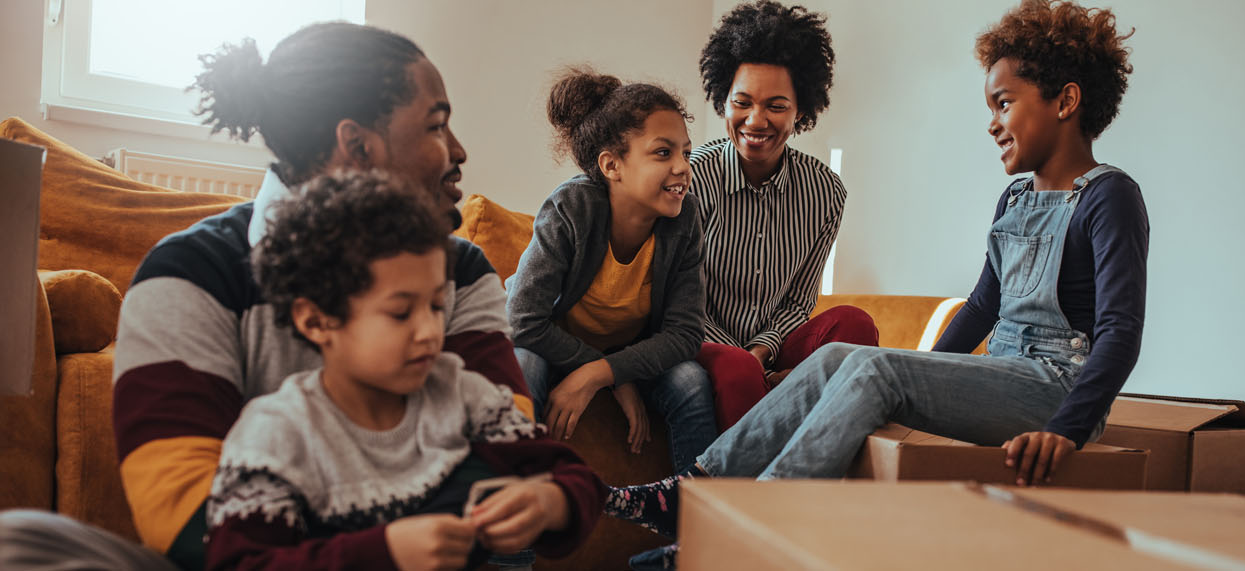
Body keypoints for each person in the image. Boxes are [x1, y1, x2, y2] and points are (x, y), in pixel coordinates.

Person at [0, 23, 603, 571]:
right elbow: (191, 525)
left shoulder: (460, 269)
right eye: (436, 124)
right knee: (22, 544)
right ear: (358, 146)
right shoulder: (186, 272)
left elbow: (506, 470)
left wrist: (533, 499)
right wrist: (385, 545)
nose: (459, 151)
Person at [609, 1, 1147, 568]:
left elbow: (1121, 331)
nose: (992, 122)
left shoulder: (1110, 197)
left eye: (1004, 103)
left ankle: (738, 536)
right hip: (1004, 372)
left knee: (875, 363)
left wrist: (1068, 428)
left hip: (1056, 385)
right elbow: (984, 305)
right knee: (841, 355)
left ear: (1065, 101)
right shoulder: (1014, 199)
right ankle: (692, 489)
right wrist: (930, 378)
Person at [208, 170, 583, 570]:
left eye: (437, 307)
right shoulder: (276, 432)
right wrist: (384, 552)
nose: (429, 332)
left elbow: (573, 476)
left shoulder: (462, 393)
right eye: (400, 312)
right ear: (316, 321)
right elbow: (239, 562)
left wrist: (553, 501)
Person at [506, 69, 717, 473]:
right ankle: (516, 527)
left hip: (623, 354)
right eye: (663, 153)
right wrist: (607, 375)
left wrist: (603, 373)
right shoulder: (571, 209)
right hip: (552, 346)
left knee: (690, 382)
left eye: (686, 153)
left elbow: (686, 334)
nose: (682, 167)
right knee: (522, 365)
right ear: (611, 165)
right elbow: (523, 320)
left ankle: (694, 526)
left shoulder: (683, 219)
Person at [690, 0, 879, 430]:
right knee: (736, 370)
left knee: (855, 325)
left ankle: (783, 390)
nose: (755, 120)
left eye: (776, 105)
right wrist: (743, 359)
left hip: (773, 349)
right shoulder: (692, 180)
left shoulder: (826, 192)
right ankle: (759, 487)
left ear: (801, 111)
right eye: (742, 102)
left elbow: (798, 301)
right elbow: (680, 300)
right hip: (702, 339)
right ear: (723, 102)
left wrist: (762, 350)